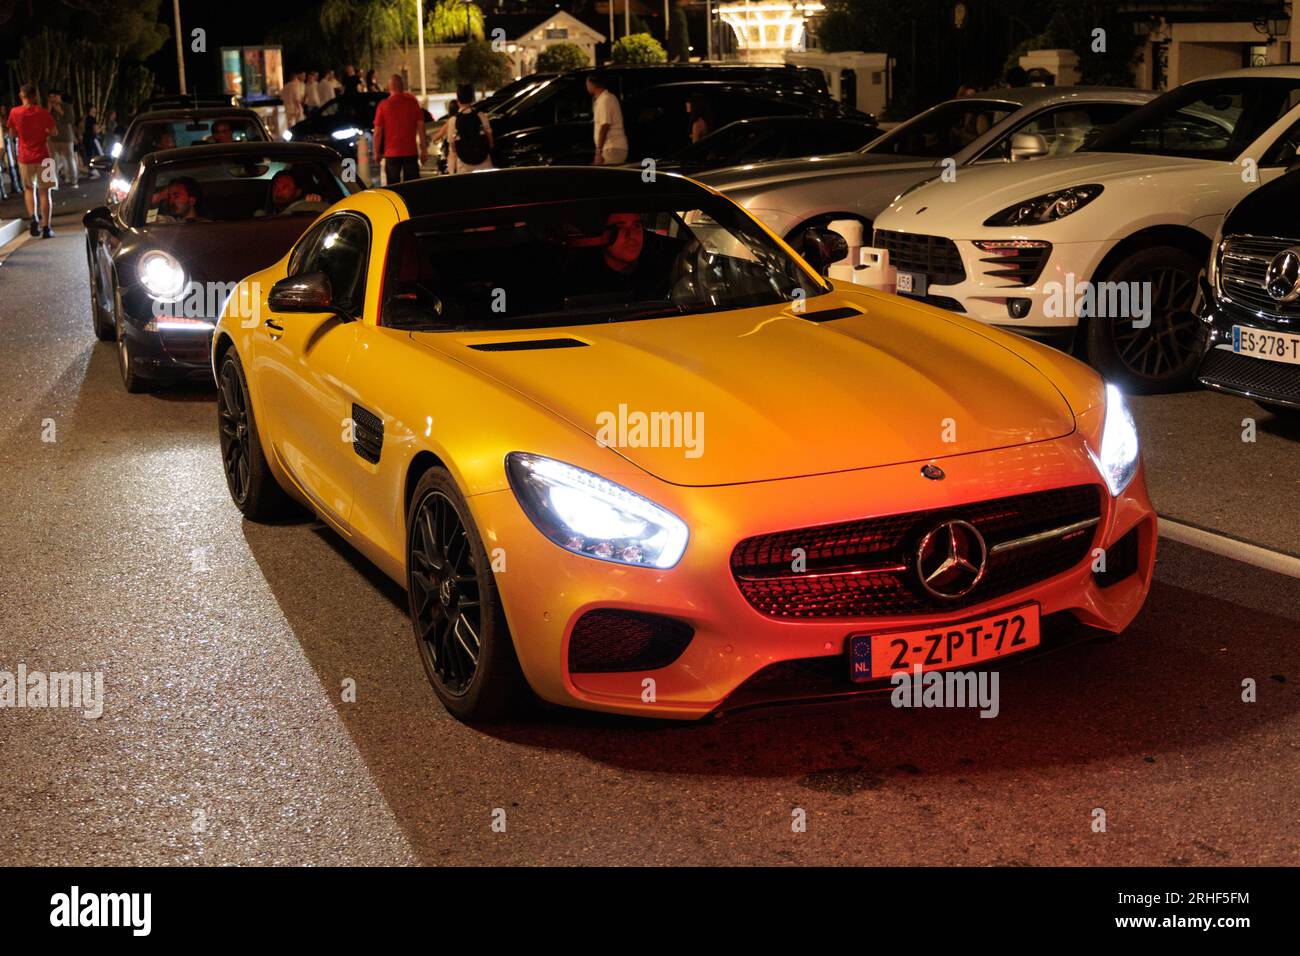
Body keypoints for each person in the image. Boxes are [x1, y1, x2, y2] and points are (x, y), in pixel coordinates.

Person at [9, 84, 58, 237]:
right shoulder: (43, 113)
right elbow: (54, 131)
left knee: (29, 189)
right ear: (34, 96)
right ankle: (46, 228)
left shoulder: (15, 112)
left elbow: (11, 133)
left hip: (24, 157)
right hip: (44, 156)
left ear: (21, 95)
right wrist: (44, 133)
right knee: (45, 192)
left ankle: (33, 218)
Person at [372, 73, 426, 184]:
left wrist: (376, 152)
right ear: (402, 87)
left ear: (389, 87)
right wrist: (423, 150)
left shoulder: (383, 105)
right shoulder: (413, 104)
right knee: (412, 188)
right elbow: (421, 129)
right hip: (410, 152)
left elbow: (377, 132)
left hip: (391, 154)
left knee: (393, 188)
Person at [448, 83, 494, 174]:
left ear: (458, 100)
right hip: (484, 164)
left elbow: (452, 148)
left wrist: (451, 172)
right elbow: (491, 142)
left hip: (464, 166)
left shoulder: (454, 120)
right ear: (472, 98)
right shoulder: (481, 116)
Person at [586, 73, 627, 165]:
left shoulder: (605, 100)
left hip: (612, 148)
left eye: (587, 84)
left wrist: (598, 151)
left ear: (592, 84)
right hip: (611, 148)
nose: (586, 87)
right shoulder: (604, 99)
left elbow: (605, 126)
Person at [47, 91, 78, 188]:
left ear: (59, 96)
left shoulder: (67, 106)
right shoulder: (49, 108)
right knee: (52, 161)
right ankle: (53, 182)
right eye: (50, 96)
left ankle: (73, 180)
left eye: (54, 96)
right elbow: (45, 120)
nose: (52, 98)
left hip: (66, 137)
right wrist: (49, 108)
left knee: (69, 159)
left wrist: (60, 110)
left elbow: (71, 120)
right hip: (53, 138)